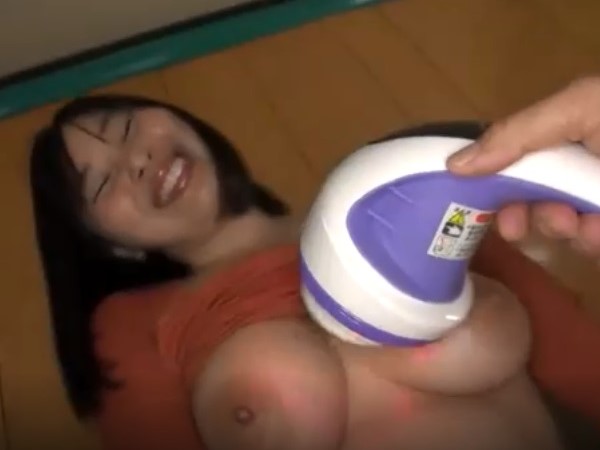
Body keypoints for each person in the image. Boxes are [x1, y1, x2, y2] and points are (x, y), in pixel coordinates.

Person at [28, 93, 600, 450]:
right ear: (113, 247)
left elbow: (575, 352)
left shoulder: (394, 199)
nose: (136, 160)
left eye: (125, 128)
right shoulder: (135, 320)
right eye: (102, 183)